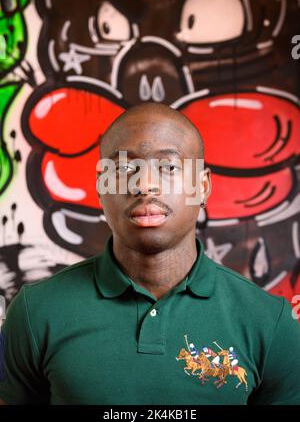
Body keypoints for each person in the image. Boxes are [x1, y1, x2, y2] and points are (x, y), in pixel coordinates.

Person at [0, 102, 300, 405]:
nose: (144, 185)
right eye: (124, 169)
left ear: (203, 186)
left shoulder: (270, 322)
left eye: (168, 167)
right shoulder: (35, 312)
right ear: (101, 187)